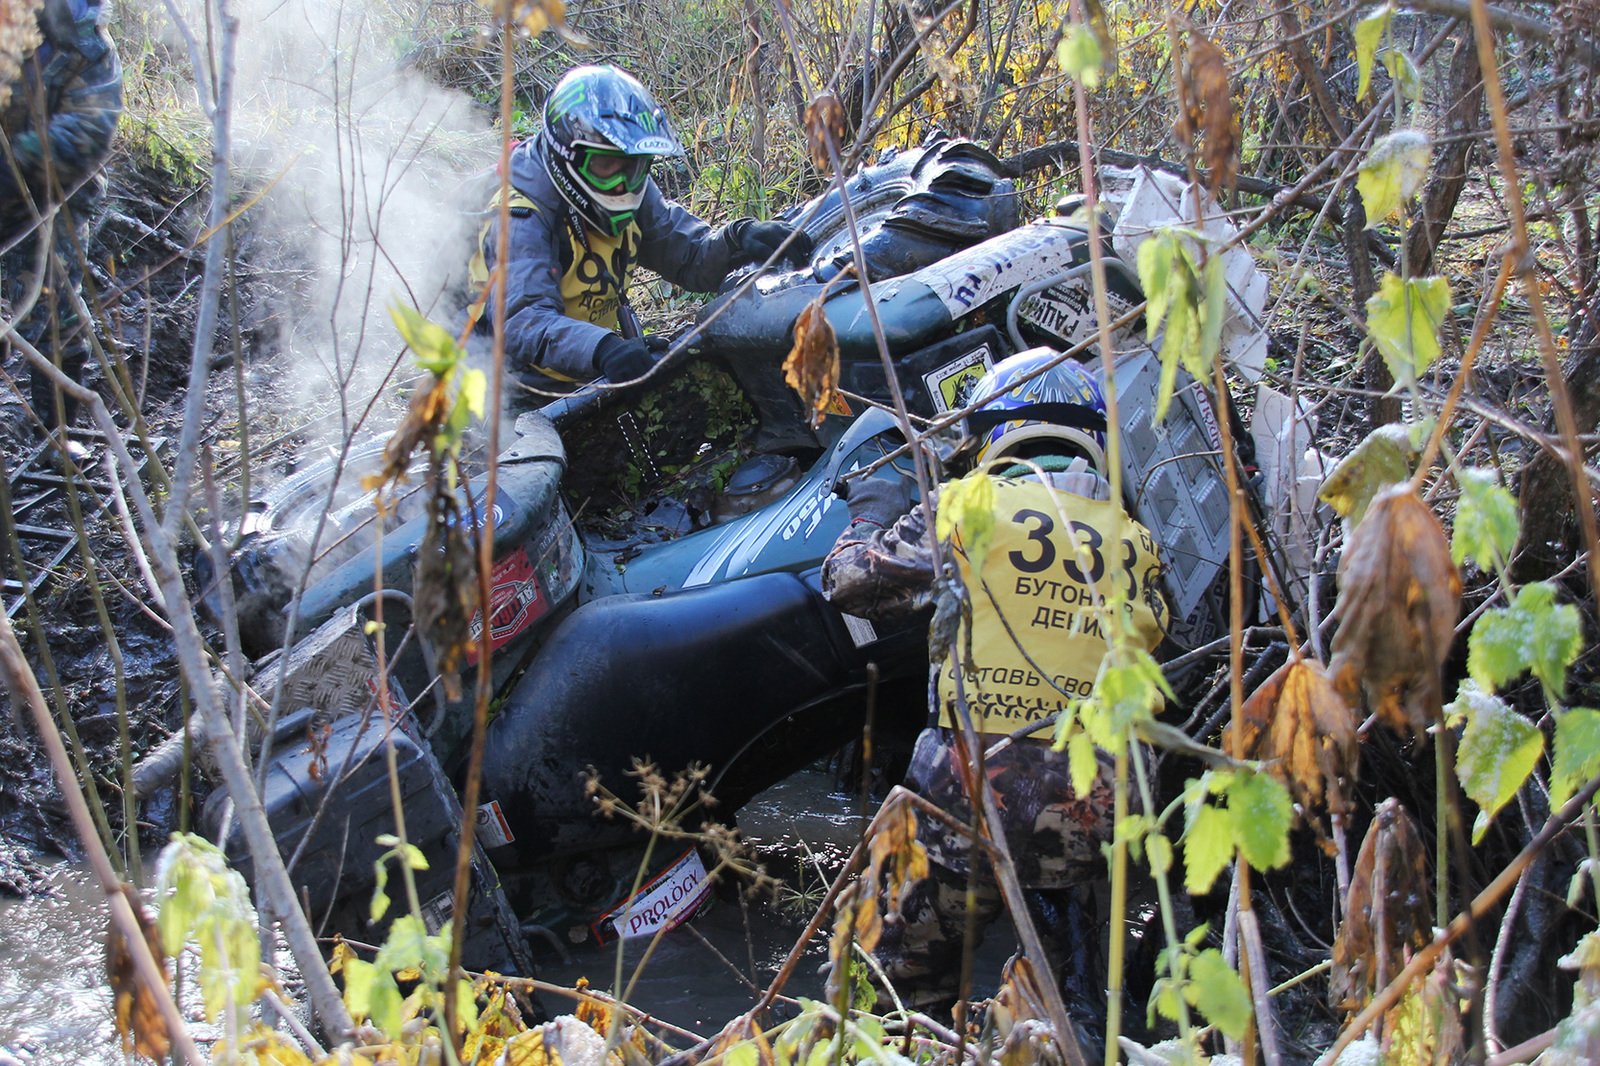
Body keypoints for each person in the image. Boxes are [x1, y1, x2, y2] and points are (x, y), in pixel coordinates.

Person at [821, 349, 1168, 1044]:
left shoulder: (968, 507)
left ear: (993, 431)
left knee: (889, 990)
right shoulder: (1134, 541)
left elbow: (850, 584)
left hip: (967, 792)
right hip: (1094, 804)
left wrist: (871, 512)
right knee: (1072, 1005)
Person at [471, 64, 811, 388]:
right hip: (508, 385)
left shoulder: (631, 187)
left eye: (633, 166)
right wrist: (603, 349)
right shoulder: (518, 217)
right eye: (606, 164)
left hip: (586, 366)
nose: (623, 184)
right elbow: (524, 321)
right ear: (568, 156)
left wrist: (738, 238)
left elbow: (689, 257)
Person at [0, 0, 121, 434]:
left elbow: (90, 130)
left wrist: (17, 163)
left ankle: (59, 433)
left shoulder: (82, 41)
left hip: (51, 196)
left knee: (53, 308)